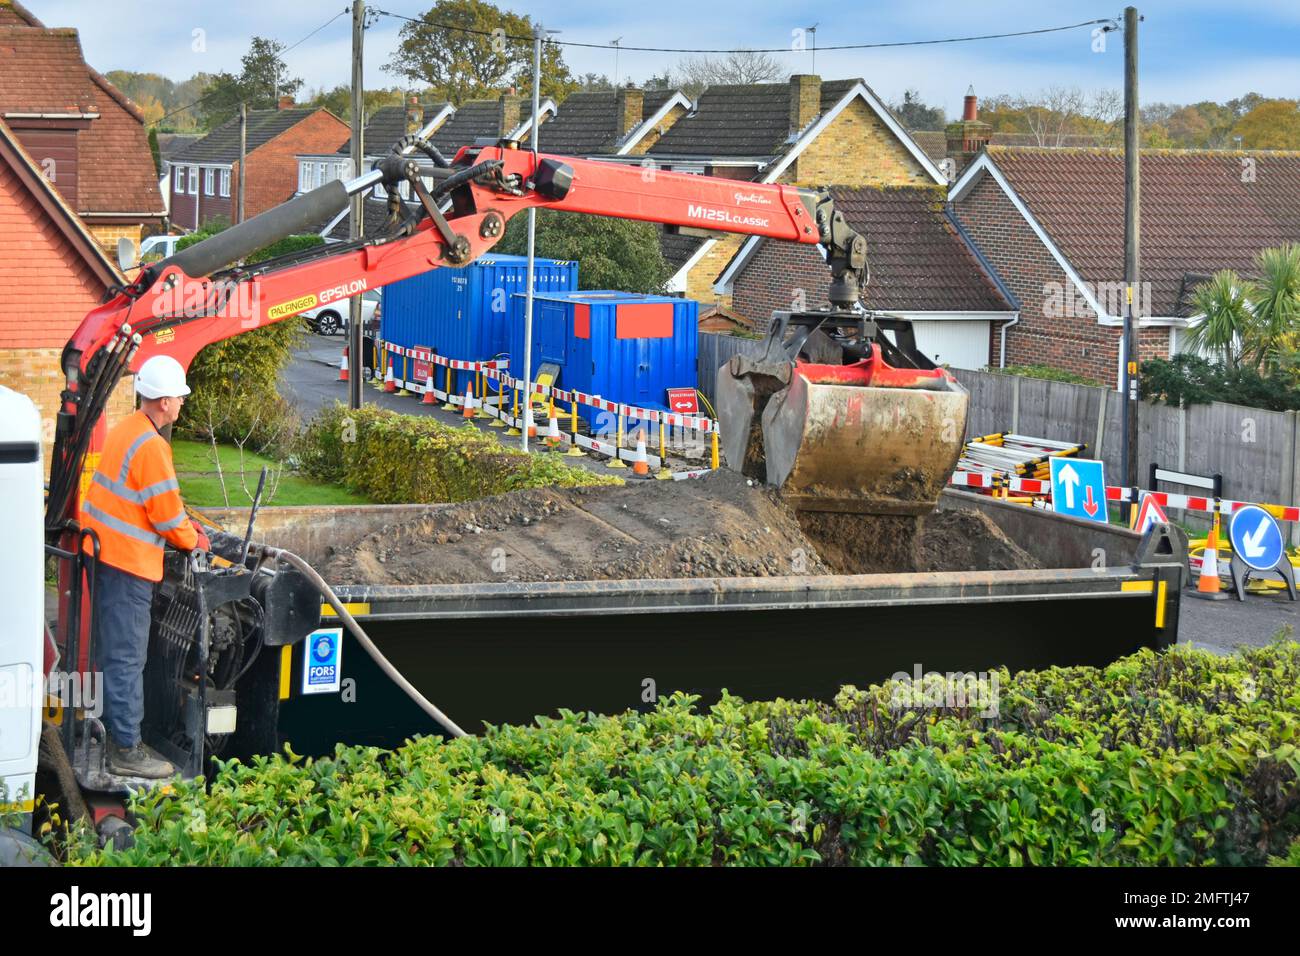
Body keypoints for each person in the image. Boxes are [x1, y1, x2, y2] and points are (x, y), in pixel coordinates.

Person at [79, 355, 210, 778]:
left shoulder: (127, 428)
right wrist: (193, 541)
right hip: (128, 565)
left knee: (109, 650)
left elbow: (141, 501)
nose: (183, 404)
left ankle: (101, 727)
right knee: (126, 657)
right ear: (166, 401)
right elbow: (167, 515)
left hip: (104, 556)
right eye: (181, 398)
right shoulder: (153, 445)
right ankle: (126, 749)